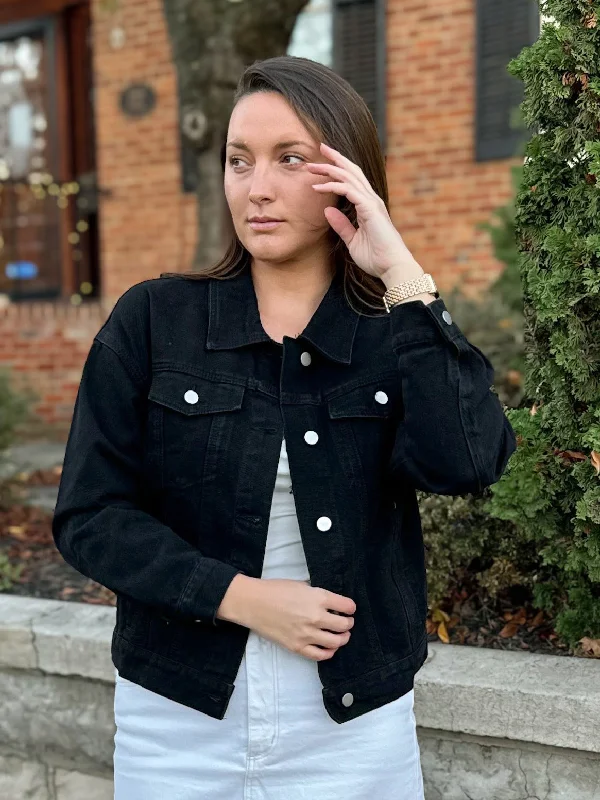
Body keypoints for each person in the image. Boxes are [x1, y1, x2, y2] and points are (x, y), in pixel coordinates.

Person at [52, 55, 517, 799]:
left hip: (351, 724)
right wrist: (241, 596)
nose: (256, 187)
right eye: (240, 161)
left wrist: (398, 268)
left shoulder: (388, 334)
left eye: (289, 159)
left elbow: (467, 462)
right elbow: (89, 517)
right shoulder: (154, 320)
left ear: (346, 176)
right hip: (178, 714)